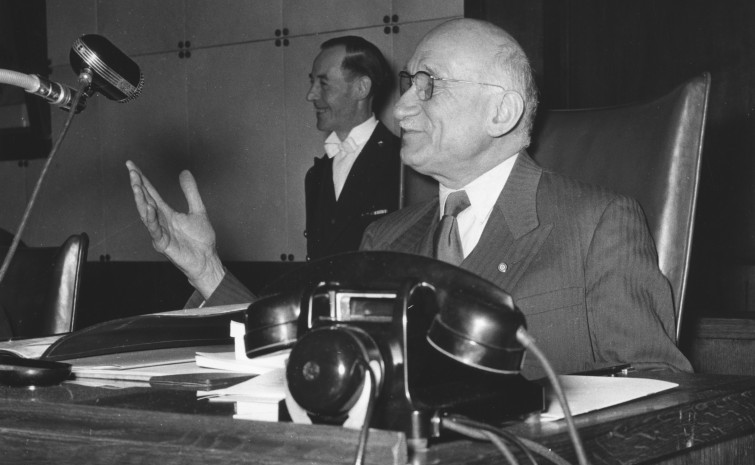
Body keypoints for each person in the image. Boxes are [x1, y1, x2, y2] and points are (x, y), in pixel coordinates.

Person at [128, 19, 691, 379]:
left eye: (430, 85)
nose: (400, 109)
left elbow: (660, 396)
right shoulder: (386, 236)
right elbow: (310, 355)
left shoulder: (597, 224)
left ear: (502, 111)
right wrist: (207, 271)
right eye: (407, 85)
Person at [304, 36, 401, 261]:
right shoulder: (315, 175)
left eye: (323, 84)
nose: (310, 95)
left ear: (361, 88)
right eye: (312, 82)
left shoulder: (403, 163)